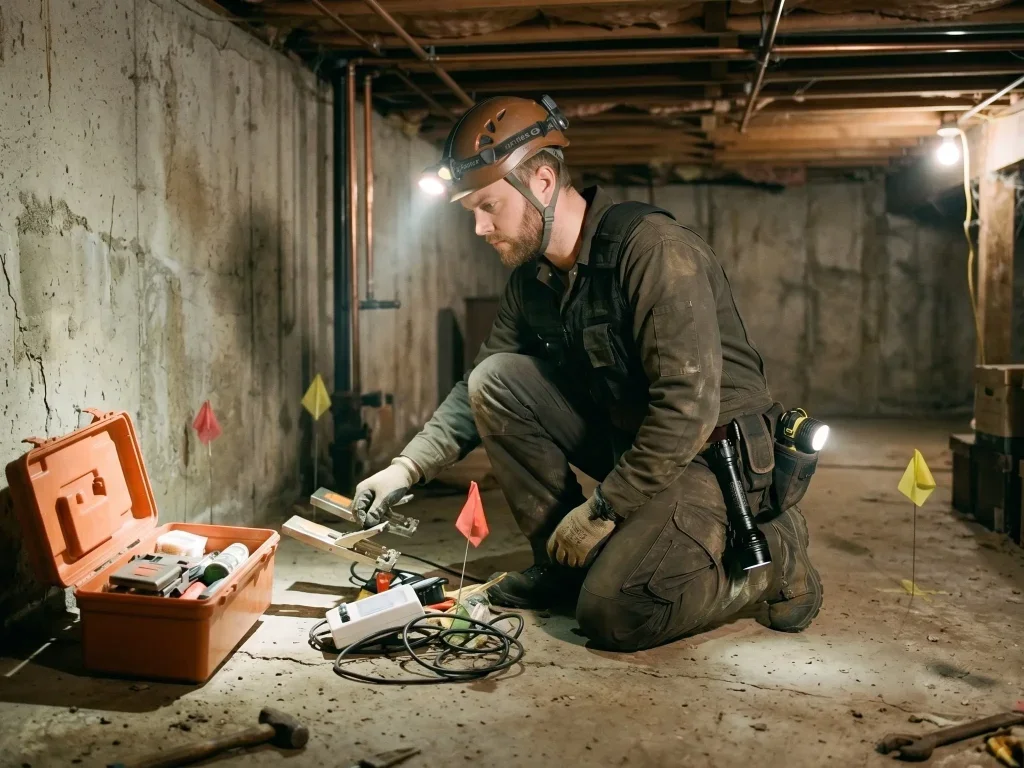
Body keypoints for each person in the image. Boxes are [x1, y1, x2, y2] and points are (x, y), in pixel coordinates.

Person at [352, 95, 823, 652]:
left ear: (544, 182)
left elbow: (687, 410)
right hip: (638, 449)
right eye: (470, 211)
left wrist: (603, 510)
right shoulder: (533, 280)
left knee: (616, 613)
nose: (479, 227)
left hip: (712, 459)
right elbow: (481, 378)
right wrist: (407, 468)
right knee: (497, 380)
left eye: (488, 207)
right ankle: (561, 564)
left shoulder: (654, 251)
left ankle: (775, 559)